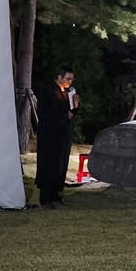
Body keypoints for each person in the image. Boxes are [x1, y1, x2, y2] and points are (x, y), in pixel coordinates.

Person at [34, 66, 76, 209]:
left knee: (60, 164)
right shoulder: (47, 91)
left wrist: (75, 106)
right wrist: (65, 116)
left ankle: (55, 195)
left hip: (63, 133)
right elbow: (45, 113)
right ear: (59, 77)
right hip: (50, 134)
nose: (70, 82)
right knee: (49, 164)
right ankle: (45, 198)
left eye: (71, 79)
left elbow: (71, 112)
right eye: (67, 78)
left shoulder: (67, 92)